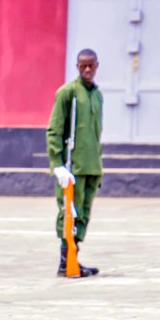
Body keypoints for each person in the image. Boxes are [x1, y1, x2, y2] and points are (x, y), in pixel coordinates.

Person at [46, 48, 103, 277]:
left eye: (91, 65)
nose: (87, 70)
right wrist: (57, 164)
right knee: (69, 212)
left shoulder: (97, 94)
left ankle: (75, 256)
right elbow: (55, 129)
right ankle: (65, 260)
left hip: (91, 165)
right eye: (83, 66)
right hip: (73, 165)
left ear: (97, 65)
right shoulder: (67, 92)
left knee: (84, 213)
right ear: (77, 67)